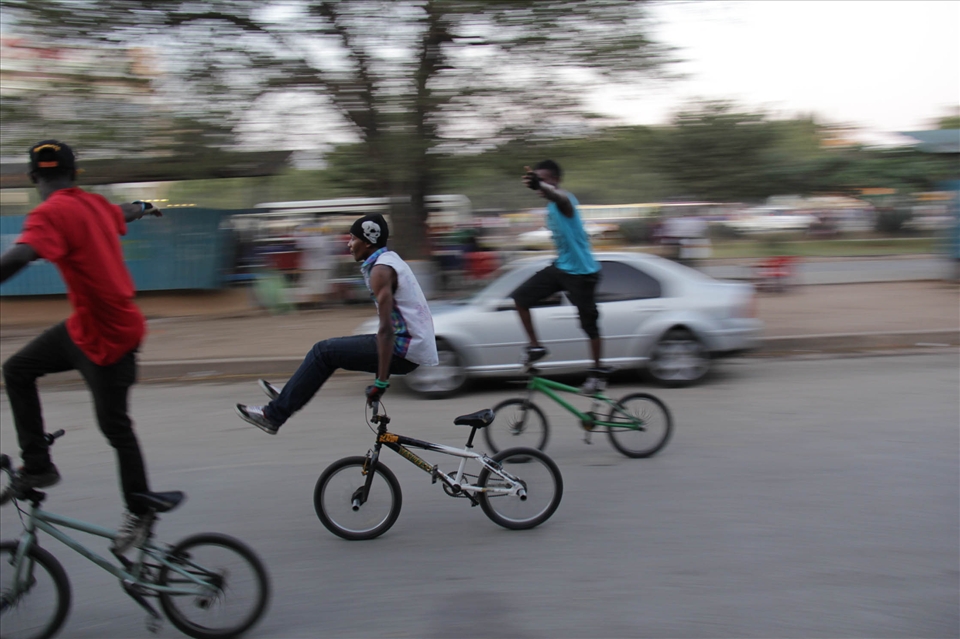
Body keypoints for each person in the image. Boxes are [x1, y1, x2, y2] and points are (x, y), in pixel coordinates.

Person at [0, 140, 165, 554]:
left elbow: (19, 257)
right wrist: (144, 206)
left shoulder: (49, 213)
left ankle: (140, 510)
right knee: (18, 369)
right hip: (86, 328)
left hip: (111, 338)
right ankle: (38, 466)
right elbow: (124, 212)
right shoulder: (93, 204)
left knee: (115, 426)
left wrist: (139, 207)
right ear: (74, 175)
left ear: (33, 178)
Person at [236, 213, 438, 434]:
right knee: (327, 352)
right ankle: (290, 395)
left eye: (353, 238)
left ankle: (273, 416)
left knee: (324, 352)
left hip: (404, 349)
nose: (349, 244)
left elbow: (386, 331)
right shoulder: (389, 260)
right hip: (410, 346)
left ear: (368, 241)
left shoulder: (381, 271)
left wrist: (381, 383)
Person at [514, 160, 607, 394]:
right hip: (562, 268)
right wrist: (541, 185)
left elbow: (560, 197)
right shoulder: (550, 208)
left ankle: (597, 374)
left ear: (554, 181)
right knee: (521, 298)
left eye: (543, 180)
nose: (539, 185)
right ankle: (536, 347)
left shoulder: (565, 201)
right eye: (536, 180)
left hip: (583, 273)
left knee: (589, 325)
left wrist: (542, 186)